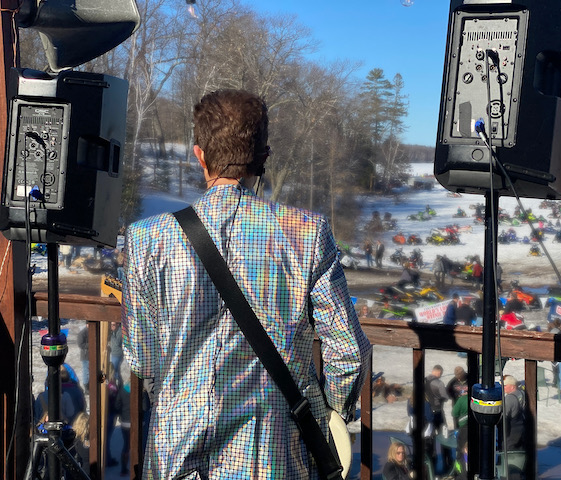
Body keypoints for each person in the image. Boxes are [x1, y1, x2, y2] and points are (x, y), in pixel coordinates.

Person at [122, 89, 371, 479]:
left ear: (199, 154)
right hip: (272, 455)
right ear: (263, 157)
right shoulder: (306, 233)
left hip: (175, 453)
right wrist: (330, 417)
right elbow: (348, 354)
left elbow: (143, 359)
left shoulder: (145, 239)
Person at [425, 365, 449, 435]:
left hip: (426, 410)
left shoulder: (423, 380)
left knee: (428, 433)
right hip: (437, 410)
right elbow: (445, 397)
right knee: (443, 433)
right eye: (441, 373)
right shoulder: (439, 383)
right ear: (439, 372)